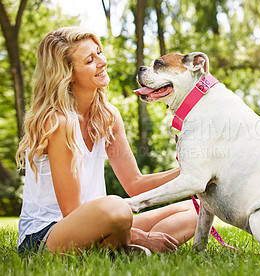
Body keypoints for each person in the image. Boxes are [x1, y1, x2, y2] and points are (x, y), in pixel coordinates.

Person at [15, 26, 198, 254]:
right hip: (46, 236)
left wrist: (194, 170)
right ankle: (128, 244)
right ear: (68, 74)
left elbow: (135, 184)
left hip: (104, 223)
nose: (102, 61)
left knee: (195, 211)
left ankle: (124, 249)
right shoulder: (58, 122)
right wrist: (137, 233)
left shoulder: (107, 115)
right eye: (90, 60)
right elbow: (72, 212)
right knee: (117, 207)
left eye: (99, 52)